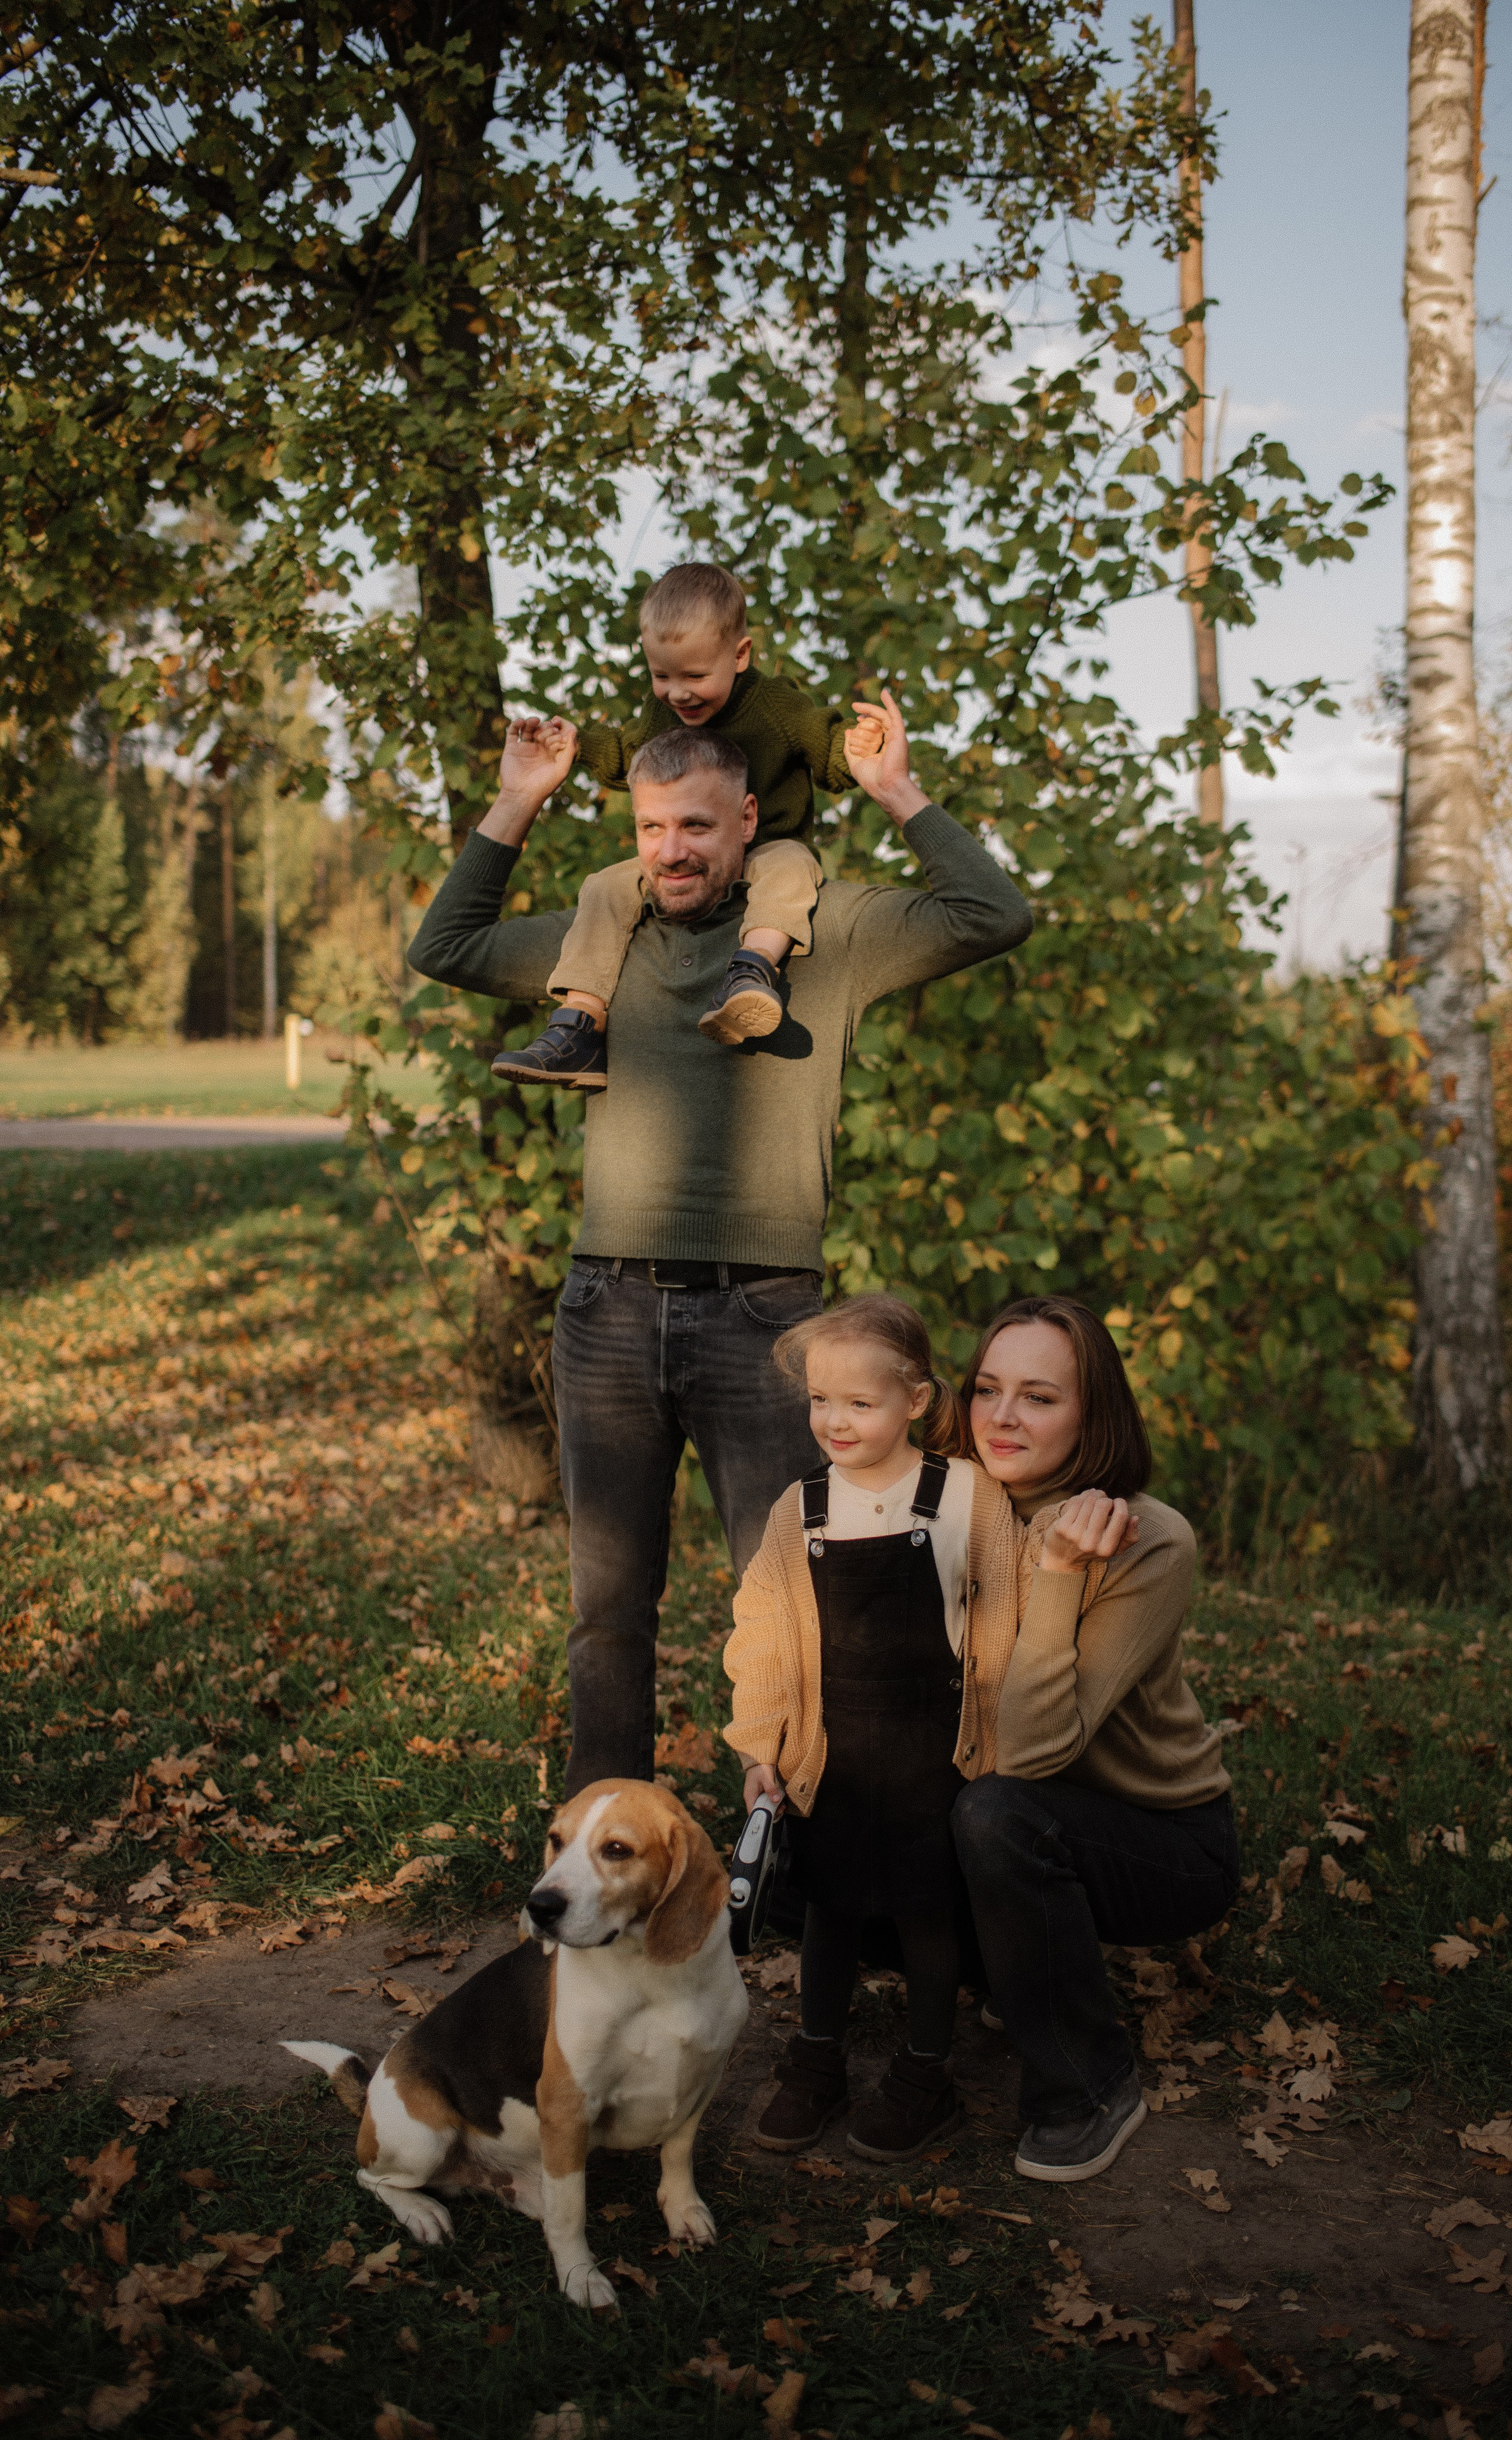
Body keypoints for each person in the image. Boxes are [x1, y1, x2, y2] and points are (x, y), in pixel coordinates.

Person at [406, 694, 1033, 1795]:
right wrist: (516, 800)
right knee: (607, 1613)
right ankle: (602, 1854)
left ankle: (789, 1847)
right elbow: (444, 945)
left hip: (769, 1324)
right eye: (652, 828)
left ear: (748, 819)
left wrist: (896, 790)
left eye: (697, 826)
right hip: (607, 1313)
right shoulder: (603, 933)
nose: (673, 851)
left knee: (790, 1602)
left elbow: (992, 913)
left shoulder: (826, 932)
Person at [723, 1296, 1024, 2162]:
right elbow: (767, 1632)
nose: (835, 1421)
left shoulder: (965, 1494)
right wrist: (761, 1744)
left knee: (931, 1916)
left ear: (918, 1402)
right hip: (834, 1754)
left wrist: (997, 1758)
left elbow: (999, 1627)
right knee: (831, 1912)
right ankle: (816, 2061)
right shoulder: (801, 1508)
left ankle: (927, 2073)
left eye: (861, 1403)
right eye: (821, 1401)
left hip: (937, 1754)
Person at [950, 1295, 1239, 2185]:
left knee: (999, 1814)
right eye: (988, 1389)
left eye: (1039, 1397)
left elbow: (1034, 1754)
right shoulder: (954, 1513)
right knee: (822, 1841)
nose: (1002, 1417)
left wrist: (1059, 1575)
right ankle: (1018, 1969)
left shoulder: (1150, 1540)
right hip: (1015, 1807)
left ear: (1092, 1414)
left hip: (1159, 1840)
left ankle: (1089, 2080)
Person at [489, 562, 867, 1087]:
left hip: (770, 847)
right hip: (690, 864)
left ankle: (751, 974)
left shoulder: (776, 706)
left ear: (740, 655)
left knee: (790, 869)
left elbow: (827, 751)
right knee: (604, 887)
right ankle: (579, 1024)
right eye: (661, 676)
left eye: (694, 677)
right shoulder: (662, 711)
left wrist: (860, 749)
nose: (678, 694)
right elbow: (628, 753)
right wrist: (575, 746)